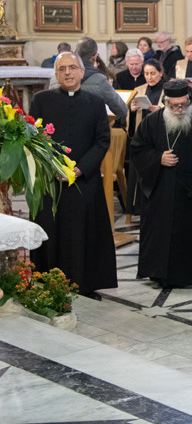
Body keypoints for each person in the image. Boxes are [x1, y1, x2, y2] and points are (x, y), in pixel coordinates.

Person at [29, 52, 117, 299]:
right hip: (51, 181)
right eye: (62, 69)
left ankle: (85, 285)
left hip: (84, 181)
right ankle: (49, 282)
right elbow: (34, 138)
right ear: (56, 74)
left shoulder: (95, 103)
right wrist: (53, 167)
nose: (67, 72)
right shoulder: (41, 101)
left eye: (72, 68)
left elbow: (102, 141)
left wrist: (79, 169)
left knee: (84, 233)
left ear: (81, 71)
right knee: (51, 231)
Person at [130, 80, 192, 288]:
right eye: (174, 106)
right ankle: (161, 274)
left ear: (189, 101)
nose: (179, 109)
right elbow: (137, 150)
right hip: (163, 191)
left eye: (183, 105)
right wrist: (158, 158)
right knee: (163, 236)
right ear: (165, 103)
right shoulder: (152, 122)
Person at [126, 59, 166, 218]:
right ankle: (137, 208)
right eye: (147, 74)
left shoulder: (166, 89)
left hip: (159, 137)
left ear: (161, 73)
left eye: (153, 73)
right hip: (142, 136)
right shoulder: (139, 89)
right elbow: (129, 119)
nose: (150, 77)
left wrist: (160, 109)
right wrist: (133, 110)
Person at [73, 37, 129, 119]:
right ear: (95, 57)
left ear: (74, 53)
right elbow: (122, 110)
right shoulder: (99, 80)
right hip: (88, 128)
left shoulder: (57, 78)